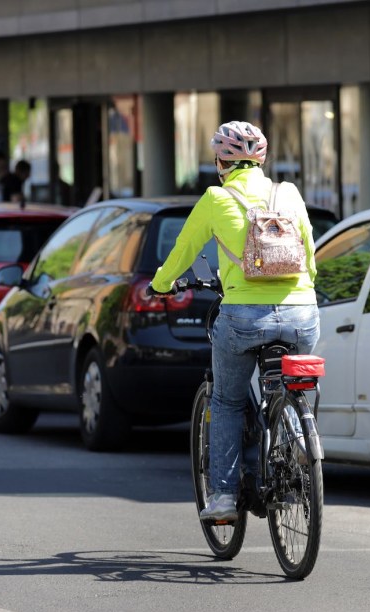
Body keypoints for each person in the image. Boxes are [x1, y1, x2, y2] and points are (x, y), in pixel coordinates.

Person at [149, 121, 320, 522]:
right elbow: (310, 253)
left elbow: (183, 251)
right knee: (286, 385)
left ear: (220, 162)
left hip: (244, 316)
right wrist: (303, 291)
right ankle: (295, 434)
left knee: (226, 401)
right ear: (261, 159)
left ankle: (224, 497)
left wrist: (161, 284)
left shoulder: (215, 198)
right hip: (302, 313)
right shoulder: (289, 194)